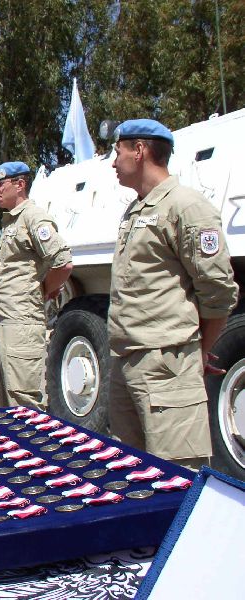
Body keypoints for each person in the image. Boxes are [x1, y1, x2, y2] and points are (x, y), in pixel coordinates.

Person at [108, 119, 238, 469]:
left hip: (165, 364)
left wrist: (201, 350)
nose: (113, 161)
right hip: (126, 361)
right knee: (131, 476)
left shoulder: (186, 207)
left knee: (176, 476)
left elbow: (219, 292)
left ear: (140, 150)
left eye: (118, 151)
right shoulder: (135, 209)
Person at [0, 161, 73, 412]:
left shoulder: (33, 217)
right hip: (3, 322)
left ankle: (30, 451)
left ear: (20, 184)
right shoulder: (11, 222)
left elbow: (63, 262)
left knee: (23, 403)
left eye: (0, 184)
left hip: (21, 324)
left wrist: (44, 290)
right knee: (2, 401)